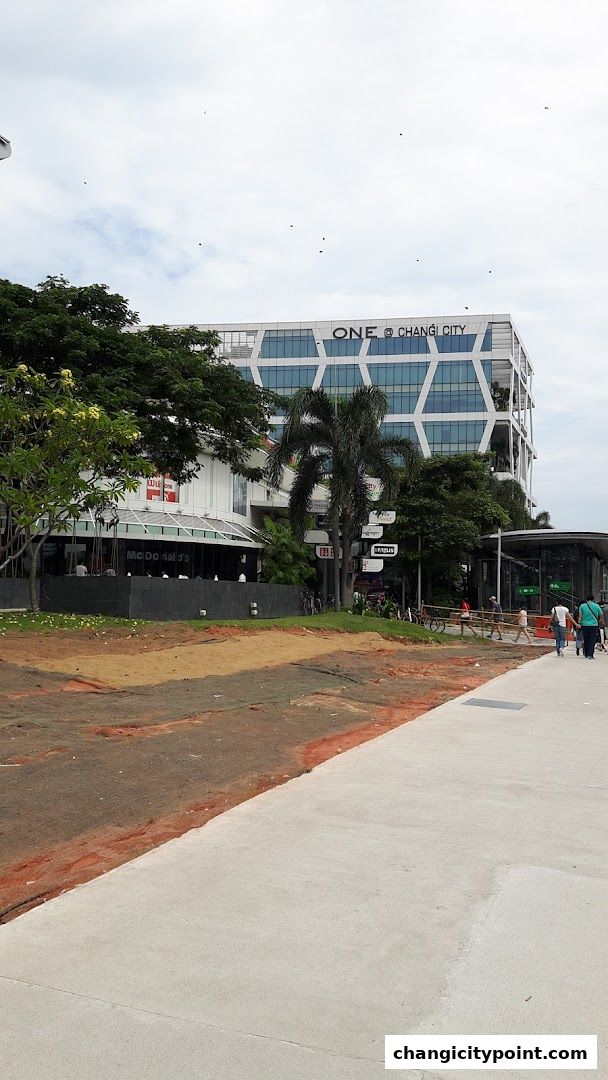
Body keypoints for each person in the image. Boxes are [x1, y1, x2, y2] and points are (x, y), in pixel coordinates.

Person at [577, 594, 604, 659]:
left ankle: (586, 654)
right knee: (592, 640)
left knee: (585, 639)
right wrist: (601, 622)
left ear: (587, 599)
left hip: (584, 625)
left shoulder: (582, 606)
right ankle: (590, 655)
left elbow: (580, 615)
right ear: (593, 599)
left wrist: (579, 623)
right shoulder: (596, 606)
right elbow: (601, 615)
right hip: (594, 625)